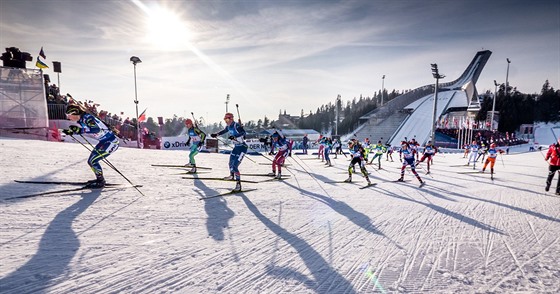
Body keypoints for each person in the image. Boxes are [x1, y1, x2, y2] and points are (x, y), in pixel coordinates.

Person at [62, 102, 119, 188]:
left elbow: (96, 129)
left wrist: (79, 130)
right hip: (104, 142)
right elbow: (87, 129)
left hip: (111, 142)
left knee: (93, 161)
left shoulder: (87, 118)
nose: (68, 118)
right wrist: (73, 132)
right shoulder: (82, 120)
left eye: (68, 115)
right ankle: (99, 180)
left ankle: (101, 181)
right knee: (91, 161)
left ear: (75, 113)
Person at [210, 112, 248, 192]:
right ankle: (231, 176)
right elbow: (224, 131)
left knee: (235, 166)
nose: (226, 121)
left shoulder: (236, 125)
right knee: (230, 162)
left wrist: (235, 136)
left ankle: (238, 184)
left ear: (231, 119)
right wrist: (216, 134)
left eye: (227, 119)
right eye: (225, 120)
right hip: (236, 147)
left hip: (242, 148)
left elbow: (243, 133)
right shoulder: (229, 126)